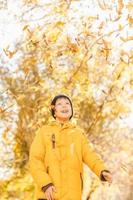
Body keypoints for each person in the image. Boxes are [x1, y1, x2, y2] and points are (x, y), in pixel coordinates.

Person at [29, 94, 112, 200]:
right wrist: (45, 183)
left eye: (67, 104)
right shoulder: (44, 131)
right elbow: (35, 159)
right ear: (54, 111)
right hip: (49, 194)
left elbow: (90, 155)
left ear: (72, 110)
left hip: (72, 195)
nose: (64, 106)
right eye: (59, 104)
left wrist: (102, 170)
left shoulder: (78, 134)